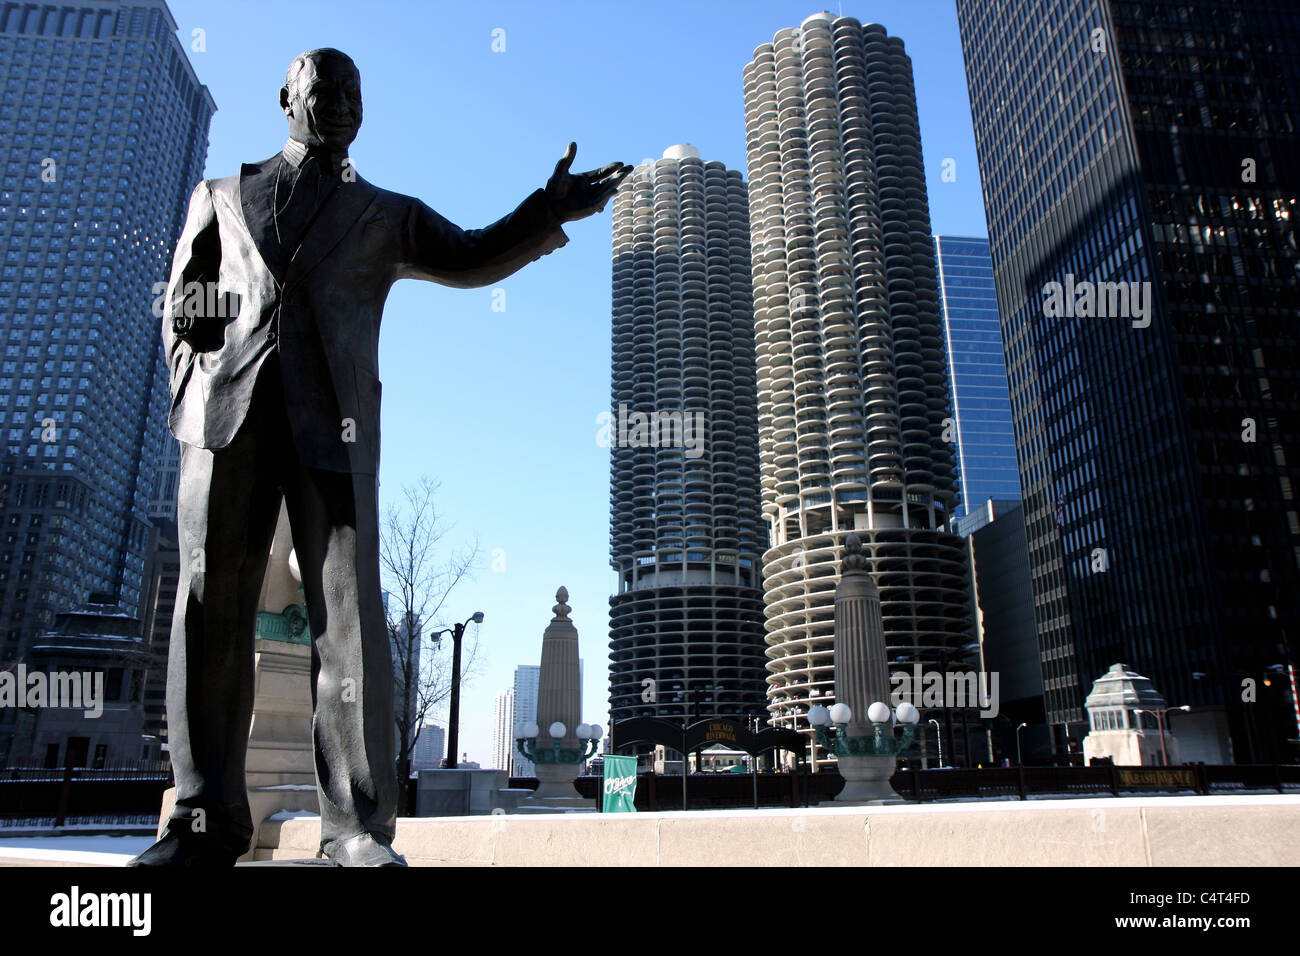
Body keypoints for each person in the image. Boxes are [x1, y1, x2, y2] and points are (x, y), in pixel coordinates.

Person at [128, 48, 629, 867]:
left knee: (351, 625)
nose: (342, 103)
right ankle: (199, 819)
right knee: (208, 611)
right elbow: (184, 311)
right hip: (226, 425)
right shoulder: (220, 196)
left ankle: (356, 827)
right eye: (325, 88)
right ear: (286, 97)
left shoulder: (383, 214)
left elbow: (469, 254)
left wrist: (549, 210)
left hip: (338, 428)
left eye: (356, 93)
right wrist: (197, 387)